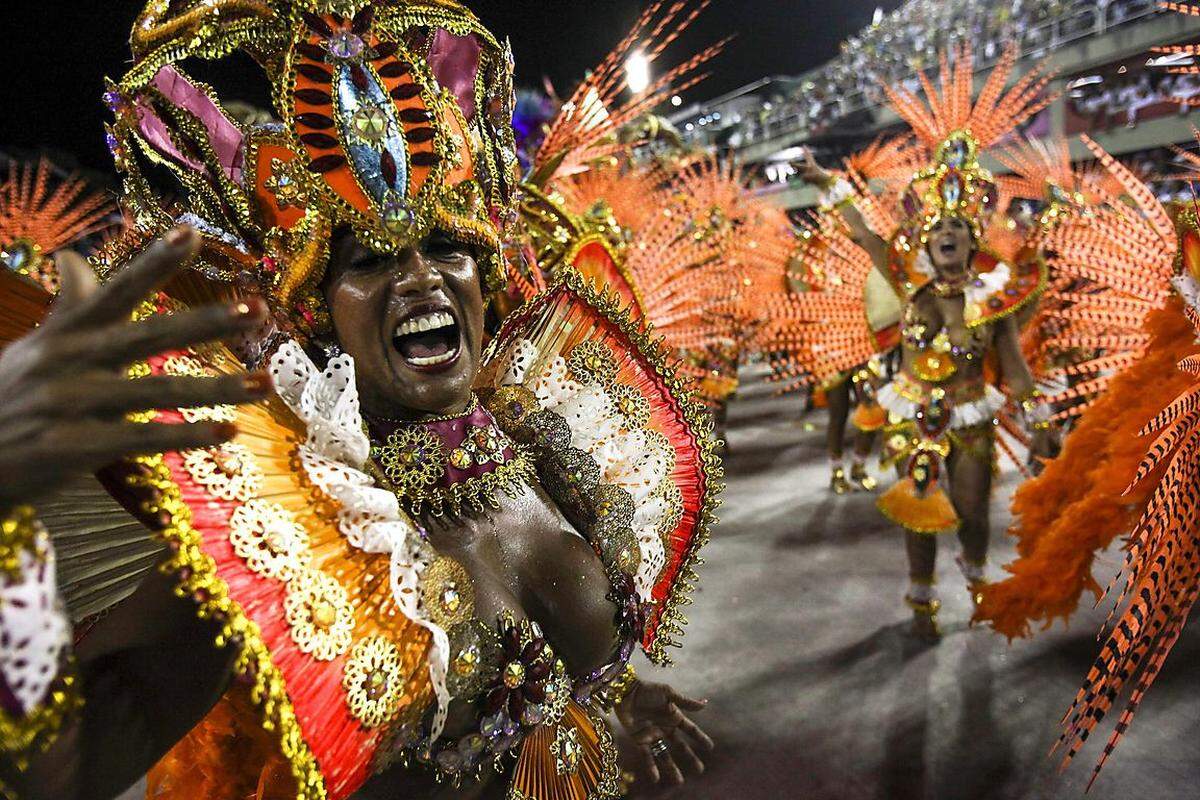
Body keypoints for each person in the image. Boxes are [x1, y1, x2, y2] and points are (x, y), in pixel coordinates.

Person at [0, 2, 720, 799]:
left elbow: (557, 680)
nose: (422, 277)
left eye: (448, 245)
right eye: (372, 261)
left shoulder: (547, 436)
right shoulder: (285, 527)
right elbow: (60, 770)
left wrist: (618, 703)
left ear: (486, 274)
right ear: (317, 309)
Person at [794, 47, 1058, 639]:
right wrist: (827, 182)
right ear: (926, 239)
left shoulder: (995, 299)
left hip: (970, 417)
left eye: (956, 230)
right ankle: (920, 598)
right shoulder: (907, 283)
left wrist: (1039, 418)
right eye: (937, 229)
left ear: (970, 243)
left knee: (970, 512)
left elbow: (1013, 370)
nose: (946, 236)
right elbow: (863, 234)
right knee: (919, 509)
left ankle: (976, 575)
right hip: (914, 412)